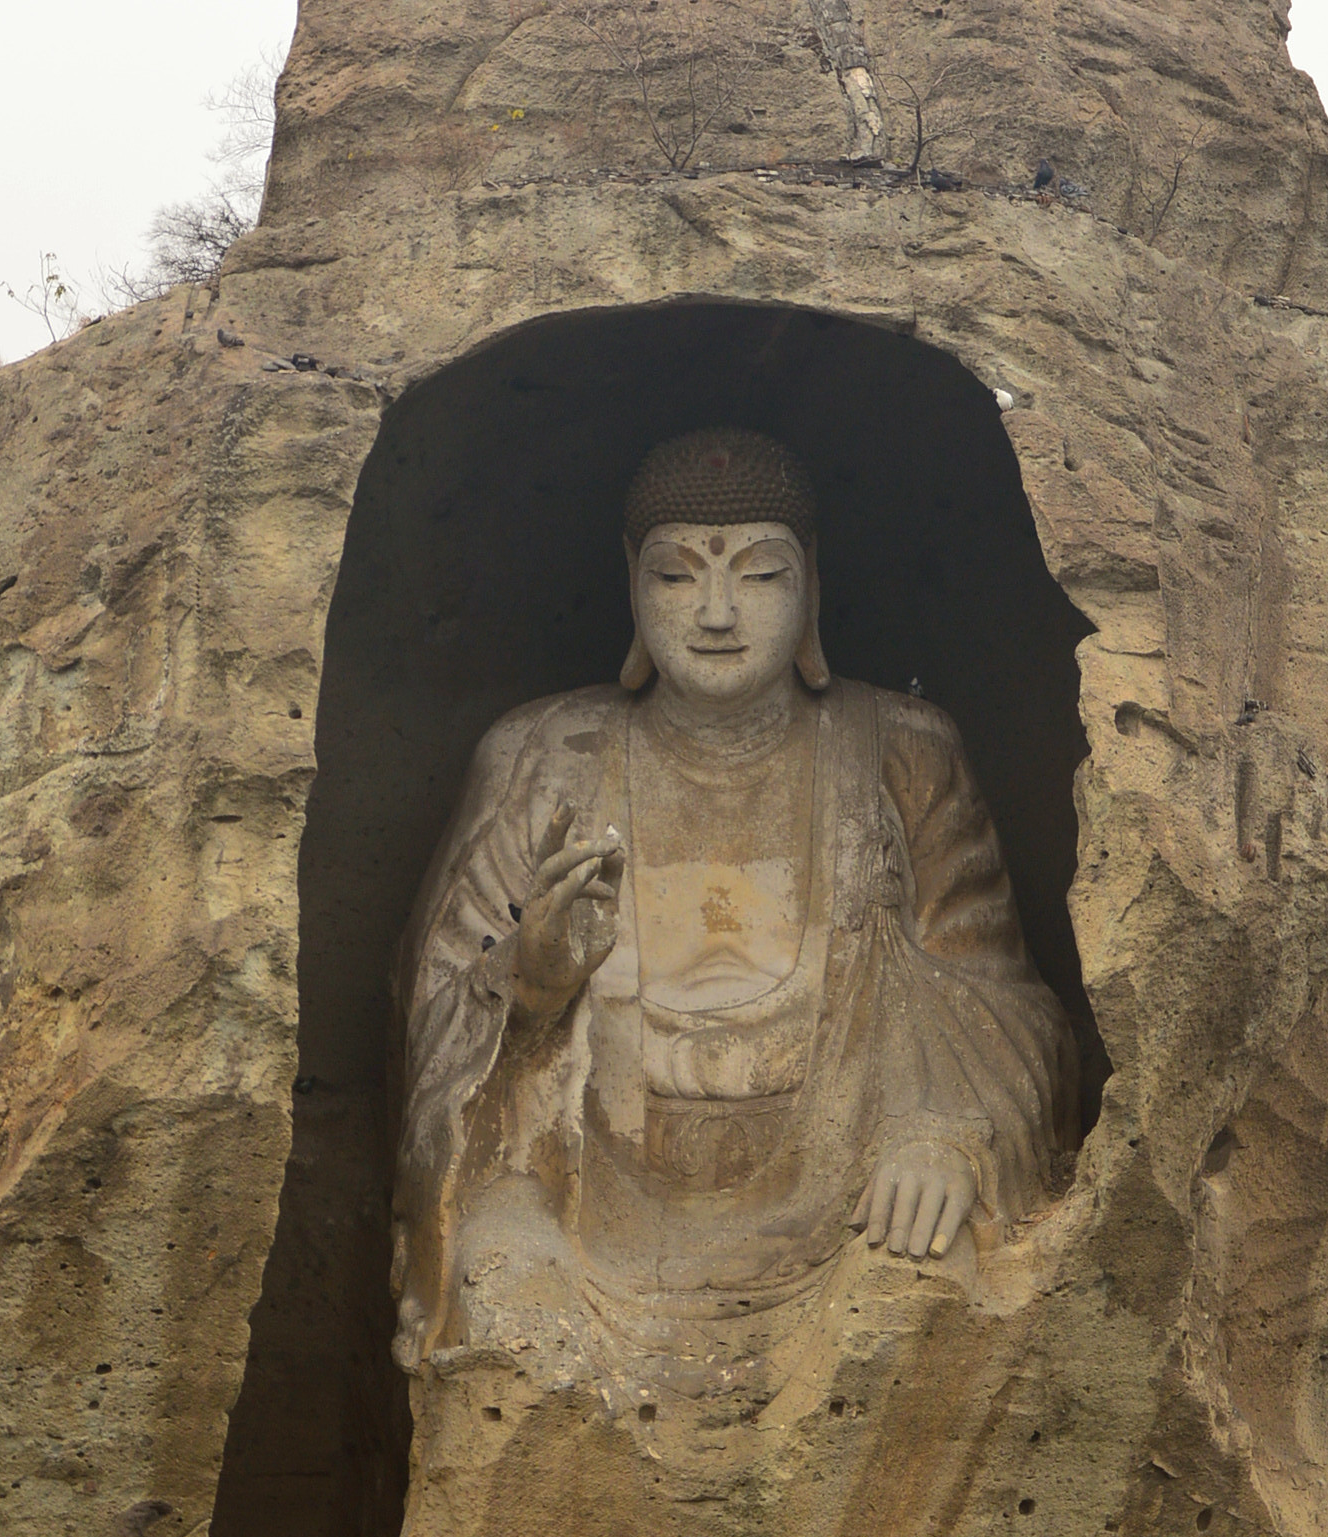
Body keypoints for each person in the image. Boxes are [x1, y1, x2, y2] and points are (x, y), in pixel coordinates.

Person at [392, 429, 1078, 1371]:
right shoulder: (544, 757)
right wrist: (530, 977)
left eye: (759, 577)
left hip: (840, 1189)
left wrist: (943, 1131)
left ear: (811, 594)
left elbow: (998, 1005)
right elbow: (431, 1022)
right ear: (631, 585)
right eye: (676, 579)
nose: (716, 613)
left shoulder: (903, 750)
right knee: (505, 1297)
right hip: (584, 1189)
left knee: (923, 1288)